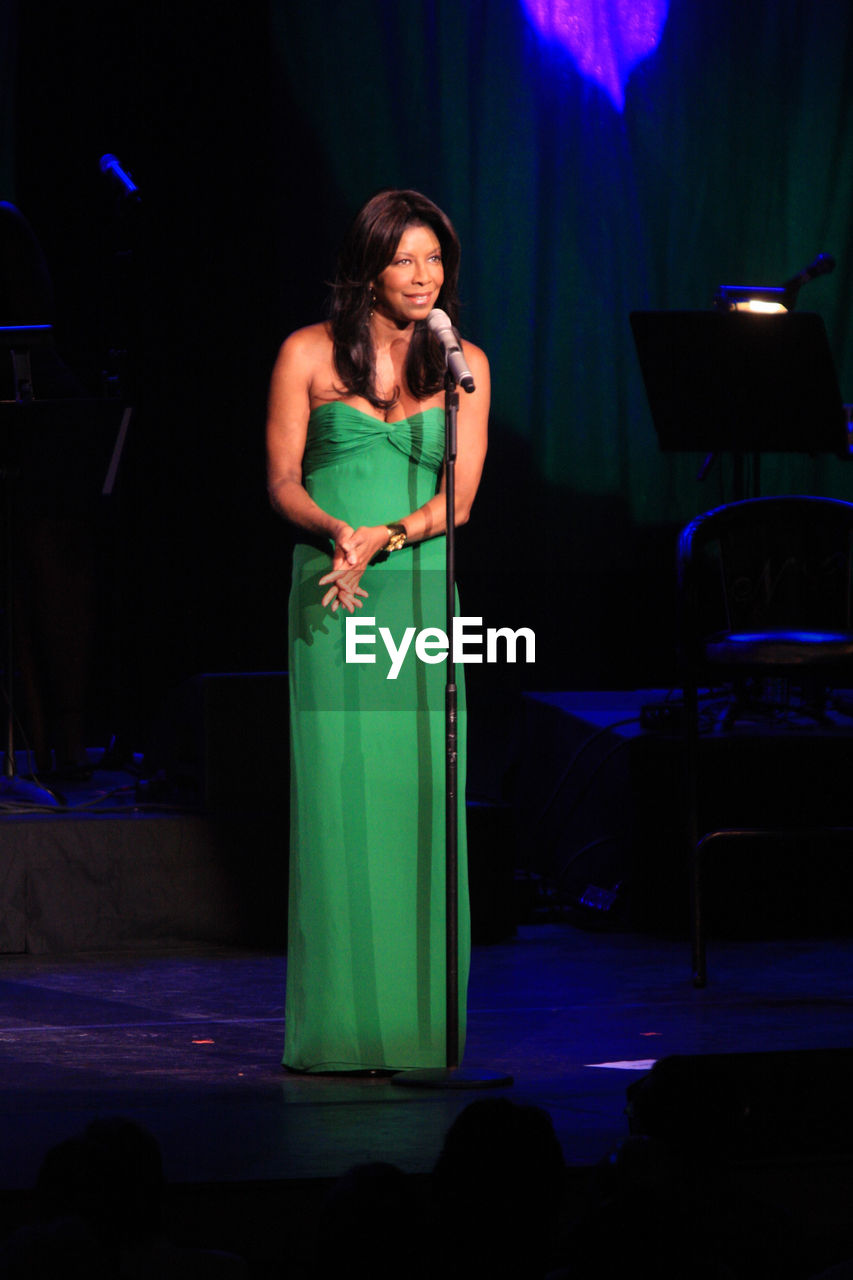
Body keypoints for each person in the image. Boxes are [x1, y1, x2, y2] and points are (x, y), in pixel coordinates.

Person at [266, 188, 489, 1073]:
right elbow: (281, 477)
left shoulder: (462, 362)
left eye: (434, 259)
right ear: (367, 268)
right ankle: (340, 1031)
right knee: (339, 799)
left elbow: (460, 501)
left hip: (421, 596)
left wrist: (392, 535)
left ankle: (417, 1028)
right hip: (334, 591)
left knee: (419, 807)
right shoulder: (307, 354)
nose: (422, 275)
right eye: (405, 259)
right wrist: (336, 532)